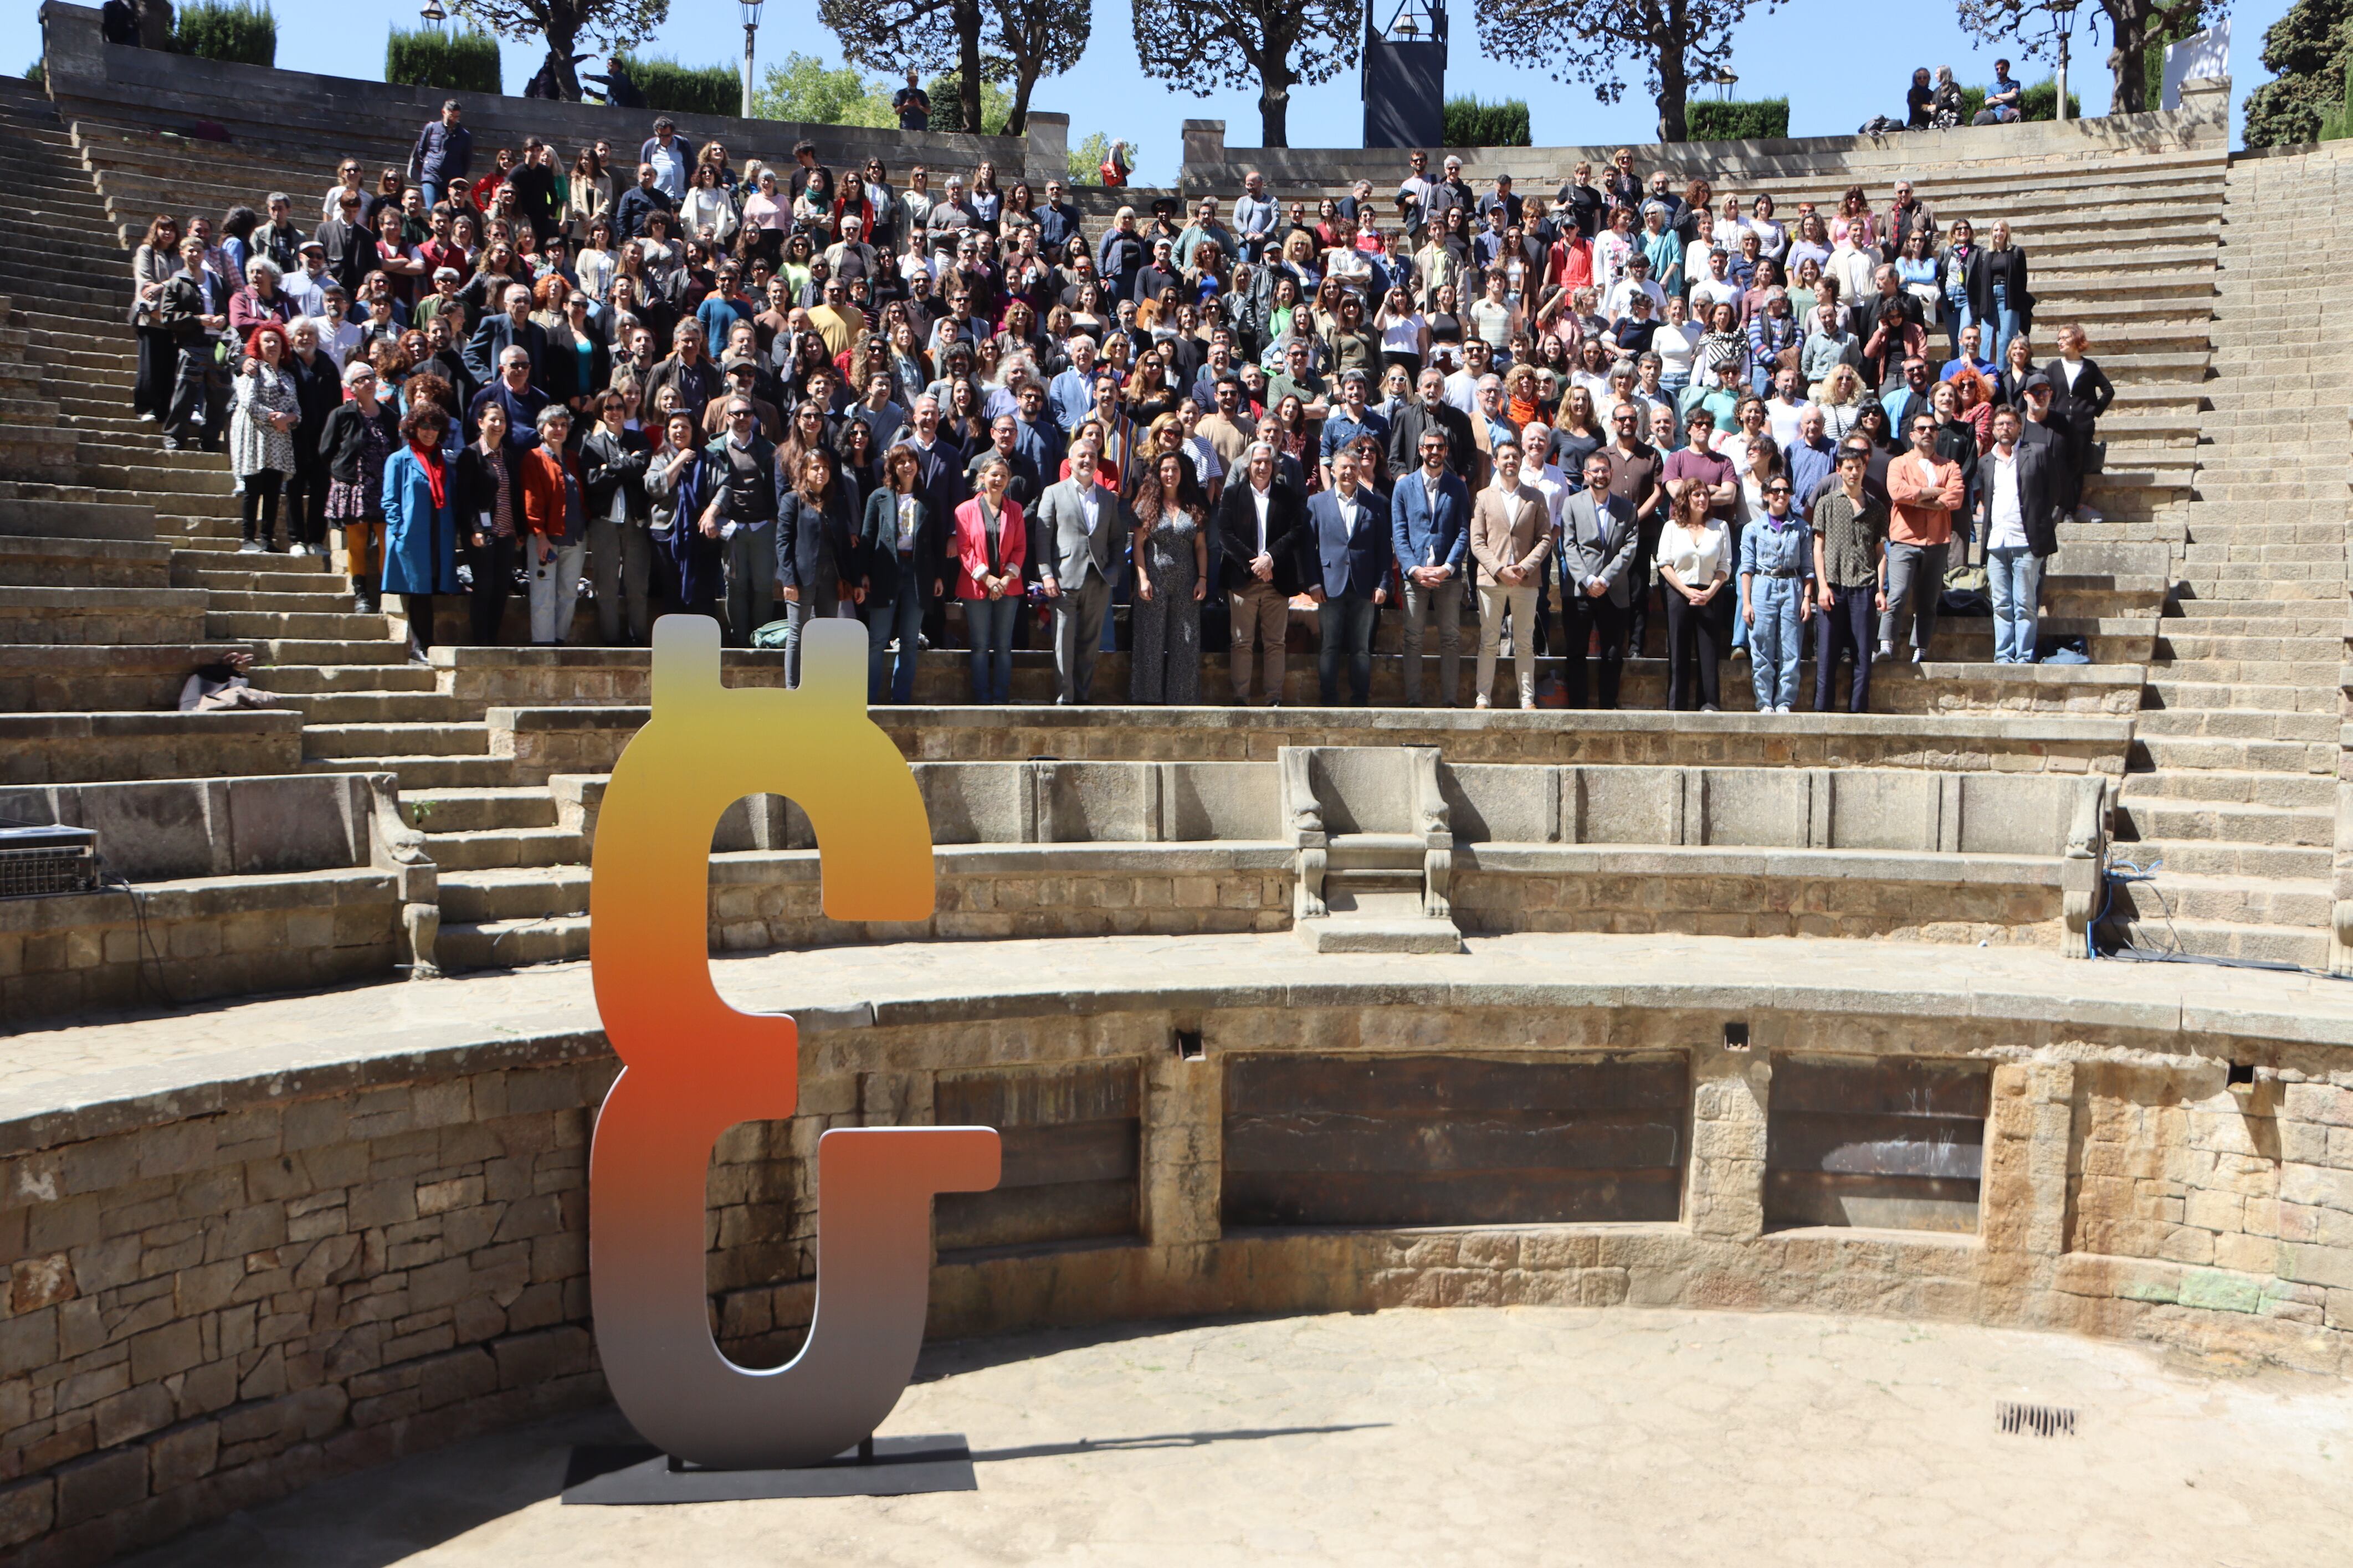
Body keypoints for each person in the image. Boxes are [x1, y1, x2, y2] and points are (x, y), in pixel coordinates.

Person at [1035, 434, 1129, 703]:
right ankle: (1066, 697)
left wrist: (1113, 571)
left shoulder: (1108, 499)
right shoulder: (1053, 492)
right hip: (1063, 579)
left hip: (1098, 579)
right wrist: (1046, 574)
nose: (1087, 460)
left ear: (1098, 462)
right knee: (1063, 642)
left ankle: (1083, 696)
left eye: (1092, 456)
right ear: (1071, 461)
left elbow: (1116, 539)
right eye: (1082, 456)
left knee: (1090, 643)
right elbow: (1043, 537)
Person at [1217, 440, 1306, 706]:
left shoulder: (1287, 496)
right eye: (1258, 461)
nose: (1263, 466)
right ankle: (1241, 698)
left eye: (1268, 462)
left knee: (1275, 643)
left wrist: (1270, 559)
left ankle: (1273, 699)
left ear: (1275, 466)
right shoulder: (1232, 494)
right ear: (1248, 465)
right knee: (1242, 642)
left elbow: (1296, 531)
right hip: (1243, 579)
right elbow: (1225, 535)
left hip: (1276, 579)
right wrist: (1253, 563)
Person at [1390, 425, 1470, 706]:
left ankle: (1450, 701)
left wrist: (1448, 567)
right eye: (1430, 447)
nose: (1434, 452)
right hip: (1415, 577)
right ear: (1421, 450)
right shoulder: (1403, 486)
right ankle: (1413, 700)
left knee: (1451, 639)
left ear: (1446, 451)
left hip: (1448, 577)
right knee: (1412, 639)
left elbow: (1463, 532)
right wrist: (1414, 569)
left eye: (1440, 447)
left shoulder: (1457, 486)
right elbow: (1399, 533)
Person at [1468, 439, 1551, 710]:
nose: (1510, 462)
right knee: (1489, 641)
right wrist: (1500, 569)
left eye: (1515, 457)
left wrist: (1524, 568)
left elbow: (1545, 538)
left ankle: (1527, 699)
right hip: (1492, 579)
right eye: (1505, 457)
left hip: (1526, 580)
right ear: (1496, 462)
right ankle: (1483, 698)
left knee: (1526, 642)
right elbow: (1477, 541)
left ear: (1522, 461)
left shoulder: (1535, 497)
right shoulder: (1483, 497)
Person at [1308, 446, 1390, 707]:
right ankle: (1328, 699)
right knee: (1329, 646)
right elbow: (1308, 547)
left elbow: (1383, 550)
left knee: (1362, 649)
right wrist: (1313, 583)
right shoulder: (1316, 503)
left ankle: (1359, 700)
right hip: (1329, 586)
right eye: (1343, 467)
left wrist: (1383, 584)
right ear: (1332, 471)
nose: (1348, 472)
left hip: (1365, 587)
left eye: (1353, 468)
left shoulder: (1376, 504)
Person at [317, 358, 401, 611]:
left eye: (370, 378)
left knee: (387, 539)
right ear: (351, 387)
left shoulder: (389, 416)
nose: (367, 383)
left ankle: (388, 590)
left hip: (383, 488)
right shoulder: (341, 415)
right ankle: (361, 594)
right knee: (357, 541)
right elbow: (326, 450)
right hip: (354, 487)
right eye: (361, 380)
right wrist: (342, 476)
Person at [1557, 451, 1638, 709]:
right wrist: (1588, 580)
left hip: (1614, 590)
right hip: (1580, 591)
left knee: (1613, 655)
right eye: (1596, 471)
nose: (1601, 475)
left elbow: (1630, 548)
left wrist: (1605, 579)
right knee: (1576, 653)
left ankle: (1608, 707)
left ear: (1611, 473)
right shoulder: (1572, 504)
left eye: (1605, 470)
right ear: (1586, 475)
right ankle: (1578, 708)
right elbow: (1568, 545)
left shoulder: (1627, 508)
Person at [777, 444, 863, 688]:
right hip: (801, 579)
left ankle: (819, 686)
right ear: (804, 471)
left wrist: (854, 582)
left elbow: (846, 547)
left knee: (824, 633)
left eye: (825, 468)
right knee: (798, 634)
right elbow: (783, 542)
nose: (821, 472)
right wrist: (788, 580)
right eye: (816, 467)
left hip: (831, 578)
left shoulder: (836, 502)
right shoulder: (792, 500)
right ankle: (793, 688)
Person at [1882, 411, 1964, 665]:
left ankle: (1921, 648)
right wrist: (1932, 494)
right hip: (1905, 539)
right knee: (1897, 594)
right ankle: (1886, 644)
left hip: (1937, 541)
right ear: (1912, 435)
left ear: (1937, 434)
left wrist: (1916, 500)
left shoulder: (1950, 466)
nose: (1927, 432)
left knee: (1928, 600)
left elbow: (1956, 498)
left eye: (1932, 429)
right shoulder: (1899, 464)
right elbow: (1897, 492)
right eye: (1921, 429)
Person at [380, 403, 460, 659]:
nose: (429, 431)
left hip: (438, 532)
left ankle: (426, 644)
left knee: (431, 587)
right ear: (413, 428)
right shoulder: (399, 459)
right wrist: (400, 530)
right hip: (412, 535)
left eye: (435, 426)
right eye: (424, 425)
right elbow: (390, 500)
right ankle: (421, 645)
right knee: (418, 591)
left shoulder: (446, 461)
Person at [1980, 403, 2059, 664]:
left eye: (2010, 423)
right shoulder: (1986, 462)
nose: (2005, 428)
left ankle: (2024, 656)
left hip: (2026, 541)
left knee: (2025, 605)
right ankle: (2003, 655)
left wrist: (2041, 523)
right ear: (1993, 430)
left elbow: (2053, 493)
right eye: (2000, 424)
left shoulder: (2037, 453)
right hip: (1996, 543)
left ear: (2019, 426)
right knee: (2001, 604)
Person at [1812, 443, 1888, 713]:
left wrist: (1880, 589)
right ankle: (1823, 713)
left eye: (1858, 467)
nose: (1854, 472)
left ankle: (1858, 711)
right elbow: (1818, 547)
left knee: (1862, 656)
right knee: (1827, 655)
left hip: (1864, 587)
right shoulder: (1827, 503)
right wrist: (1821, 586)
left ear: (1865, 468)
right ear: (1839, 470)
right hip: (1833, 585)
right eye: (1849, 468)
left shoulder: (1877, 507)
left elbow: (1881, 552)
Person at [859, 442, 938, 702]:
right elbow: (867, 538)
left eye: (912, 461)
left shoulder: (928, 500)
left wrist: (938, 576)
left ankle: (900, 699)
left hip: (917, 574)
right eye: (901, 462)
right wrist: (864, 573)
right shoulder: (878, 497)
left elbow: (936, 543)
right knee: (877, 639)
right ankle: (869, 696)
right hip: (885, 571)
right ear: (892, 467)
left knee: (909, 641)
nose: (908, 466)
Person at [701, 394, 782, 646]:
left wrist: (772, 520)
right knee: (735, 586)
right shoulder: (714, 450)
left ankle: (761, 639)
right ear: (727, 418)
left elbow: (777, 487)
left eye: (747, 413)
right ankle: (739, 640)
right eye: (736, 414)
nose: (742, 418)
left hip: (762, 526)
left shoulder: (768, 449)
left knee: (763, 587)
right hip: (732, 527)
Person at [1129, 450, 1208, 705]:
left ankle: (1182, 697)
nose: (1170, 474)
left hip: (1187, 580)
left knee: (1186, 639)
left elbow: (1200, 546)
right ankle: (1147, 697)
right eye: (1165, 470)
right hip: (1155, 578)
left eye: (1174, 469)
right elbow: (1138, 545)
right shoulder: (1146, 505)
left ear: (1182, 473)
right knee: (1150, 638)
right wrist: (1143, 578)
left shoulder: (1192, 505)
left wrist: (1203, 578)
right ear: (1158, 474)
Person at [581, 388, 654, 645]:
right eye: (609, 408)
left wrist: (610, 467)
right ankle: (610, 640)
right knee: (607, 588)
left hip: (635, 521)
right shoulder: (591, 445)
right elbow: (593, 482)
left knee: (637, 586)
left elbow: (640, 469)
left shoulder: (639, 439)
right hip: (604, 523)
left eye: (619, 407)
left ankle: (639, 638)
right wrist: (625, 464)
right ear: (601, 412)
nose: (615, 412)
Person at [1739, 471, 1813, 713]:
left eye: (1785, 490)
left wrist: (1807, 598)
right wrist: (1747, 603)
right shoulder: (1753, 529)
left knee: (1791, 647)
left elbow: (1807, 567)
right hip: (1763, 586)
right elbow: (1747, 568)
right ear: (1766, 496)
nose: (1781, 495)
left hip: (1792, 586)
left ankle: (1785, 700)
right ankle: (1764, 700)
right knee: (1761, 644)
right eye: (1775, 491)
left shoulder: (1801, 527)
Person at [227, 321, 300, 553]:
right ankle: (248, 538)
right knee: (253, 486)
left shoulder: (289, 376)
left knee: (273, 488)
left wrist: (288, 419)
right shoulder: (253, 370)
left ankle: (267, 539)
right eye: (267, 341)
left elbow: (297, 409)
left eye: (276, 341)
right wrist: (274, 417)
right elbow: (248, 401)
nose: (272, 345)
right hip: (256, 435)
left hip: (279, 439)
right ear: (258, 345)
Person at [519, 404, 588, 645]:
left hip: (575, 537)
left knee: (569, 593)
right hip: (545, 539)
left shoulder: (573, 459)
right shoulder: (534, 458)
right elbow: (532, 499)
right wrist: (540, 535)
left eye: (563, 425)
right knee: (543, 594)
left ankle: (559, 640)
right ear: (542, 428)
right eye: (553, 425)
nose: (558, 430)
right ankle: (543, 644)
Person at [1658, 486, 1731, 711]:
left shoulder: (1720, 527)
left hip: (1710, 593)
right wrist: (1685, 590)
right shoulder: (1672, 527)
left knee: (1709, 651)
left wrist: (1710, 592)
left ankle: (1709, 704)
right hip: (1679, 591)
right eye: (1697, 495)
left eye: (1706, 495)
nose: (1703, 499)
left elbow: (1725, 565)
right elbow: (1664, 563)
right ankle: (1676, 706)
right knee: (1678, 651)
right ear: (1686, 499)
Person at [456, 399, 520, 643]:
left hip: (506, 531)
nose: (498, 424)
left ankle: (492, 638)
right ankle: (481, 640)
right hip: (482, 533)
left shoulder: (509, 457)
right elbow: (464, 497)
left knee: (502, 588)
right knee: (484, 587)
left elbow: (514, 495)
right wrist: (475, 529)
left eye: (502, 420)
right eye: (493, 419)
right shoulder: (470, 455)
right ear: (480, 423)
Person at [2044, 325, 2113, 525]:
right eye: (2059, 338)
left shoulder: (2089, 367)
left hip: (2082, 425)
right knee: (2059, 465)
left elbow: (2108, 390)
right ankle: (2061, 506)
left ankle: (2070, 509)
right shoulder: (2053, 367)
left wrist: (2093, 411)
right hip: (2058, 423)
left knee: (2076, 468)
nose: (2060, 342)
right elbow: (2048, 393)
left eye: (2065, 338)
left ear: (2076, 340)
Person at [1973, 59, 2024, 125]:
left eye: (2002, 68)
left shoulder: (2015, 83)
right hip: (1994, 115)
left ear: (2008, 69)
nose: (1999, 71)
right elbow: (1988, 102)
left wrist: (1996, 96)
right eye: (1997, 69)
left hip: (2009, 115)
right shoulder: (1991, 87)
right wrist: (2007, 98)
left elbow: (2013, 95)